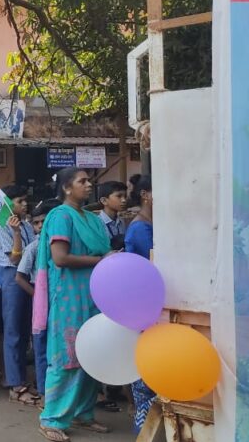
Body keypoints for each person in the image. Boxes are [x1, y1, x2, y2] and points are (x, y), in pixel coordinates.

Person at [34, 167, 113, 441]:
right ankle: (52, 418)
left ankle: (83, 413)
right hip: (69, 295)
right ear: (67, 188)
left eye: (89, 180)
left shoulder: (92, 219)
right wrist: (102, 261)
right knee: (66, 357)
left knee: (92, 355)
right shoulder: (59, 217)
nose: (89, 185)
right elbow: (60, 258)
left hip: (95, 296)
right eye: (83, 181)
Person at [0, 184, 39, 403]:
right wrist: (17, 233)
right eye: (19, 202)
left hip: (29, 277)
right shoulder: (1, 228)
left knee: (26, 330)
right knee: (12, 332)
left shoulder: (29, 225)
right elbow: (14, 258)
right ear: (9, 207)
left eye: (24, 200)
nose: (24, 204)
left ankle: (23, 378)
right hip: (12, 279)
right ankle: (15, 384)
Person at [15, 198, 59, 402]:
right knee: (41, 347)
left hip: (61, 299)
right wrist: (38, 296)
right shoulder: (33, 247)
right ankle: (43, 392)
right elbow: (19, 277)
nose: (40, 226)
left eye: (44, 221)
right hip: (40, 300)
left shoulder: (61, 245)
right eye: (36, 223)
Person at [125, 176, 155, 433]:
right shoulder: (140, 229)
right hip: (144, 304)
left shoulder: (150, 224)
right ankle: (143, 428)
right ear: (146, 194)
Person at [98, 181, 129, 248]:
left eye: (125, 196)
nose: (124, 200)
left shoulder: (122, 221)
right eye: (119, 196)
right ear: (104, 201)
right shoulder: (97, 223)